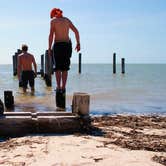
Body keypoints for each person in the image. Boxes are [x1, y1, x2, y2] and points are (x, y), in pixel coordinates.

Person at [48, 8, 80, 91]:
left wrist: (49, 47)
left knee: (58, 68)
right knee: (65, 68)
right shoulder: (67, 20)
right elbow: (76, 31)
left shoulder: (54, 22)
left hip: (58, 45)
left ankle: (58, 87)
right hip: (67, 45)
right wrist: (78, 43)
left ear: (55, 14)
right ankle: (63, 87)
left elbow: (51, 35)